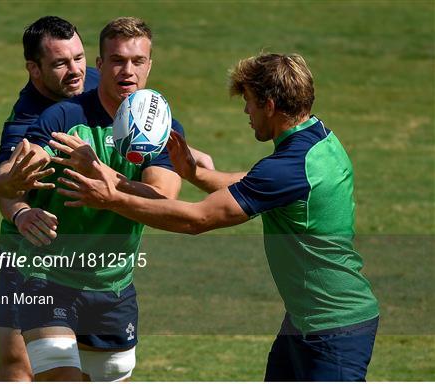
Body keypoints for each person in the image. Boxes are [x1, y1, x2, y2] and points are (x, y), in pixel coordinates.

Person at [58, 53, 380, 381]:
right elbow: (253, 185)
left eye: (250, 102)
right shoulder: (317, 138)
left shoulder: (288, 168)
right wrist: (193, 173)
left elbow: (196, 219)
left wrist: (111, 199)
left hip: (334, 331)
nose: (246, 111)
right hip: (305, 322)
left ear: (269, 105)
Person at [11, 17, 188, 381]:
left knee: (109, 373)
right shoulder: (63, 116)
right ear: (100, 65)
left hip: (112, 287)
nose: (128, 70)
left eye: (138, 61)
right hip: (48, 279)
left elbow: (162, 200)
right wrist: (15, 186)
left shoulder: (160, 129)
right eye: (118, 60)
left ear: (150, 65)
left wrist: (106, 182)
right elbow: (19, 175)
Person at [0, 16, 99, 381]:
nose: (75, 71)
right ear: (34, 69)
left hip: (92, 250)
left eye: (80, 57)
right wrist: (20, 213)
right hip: (30, 245)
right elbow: (6, 186)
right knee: (17, 359)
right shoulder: (25, 123)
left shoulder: (96, 83)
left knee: (88, 363)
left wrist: (188, 156)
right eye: (60, 63)